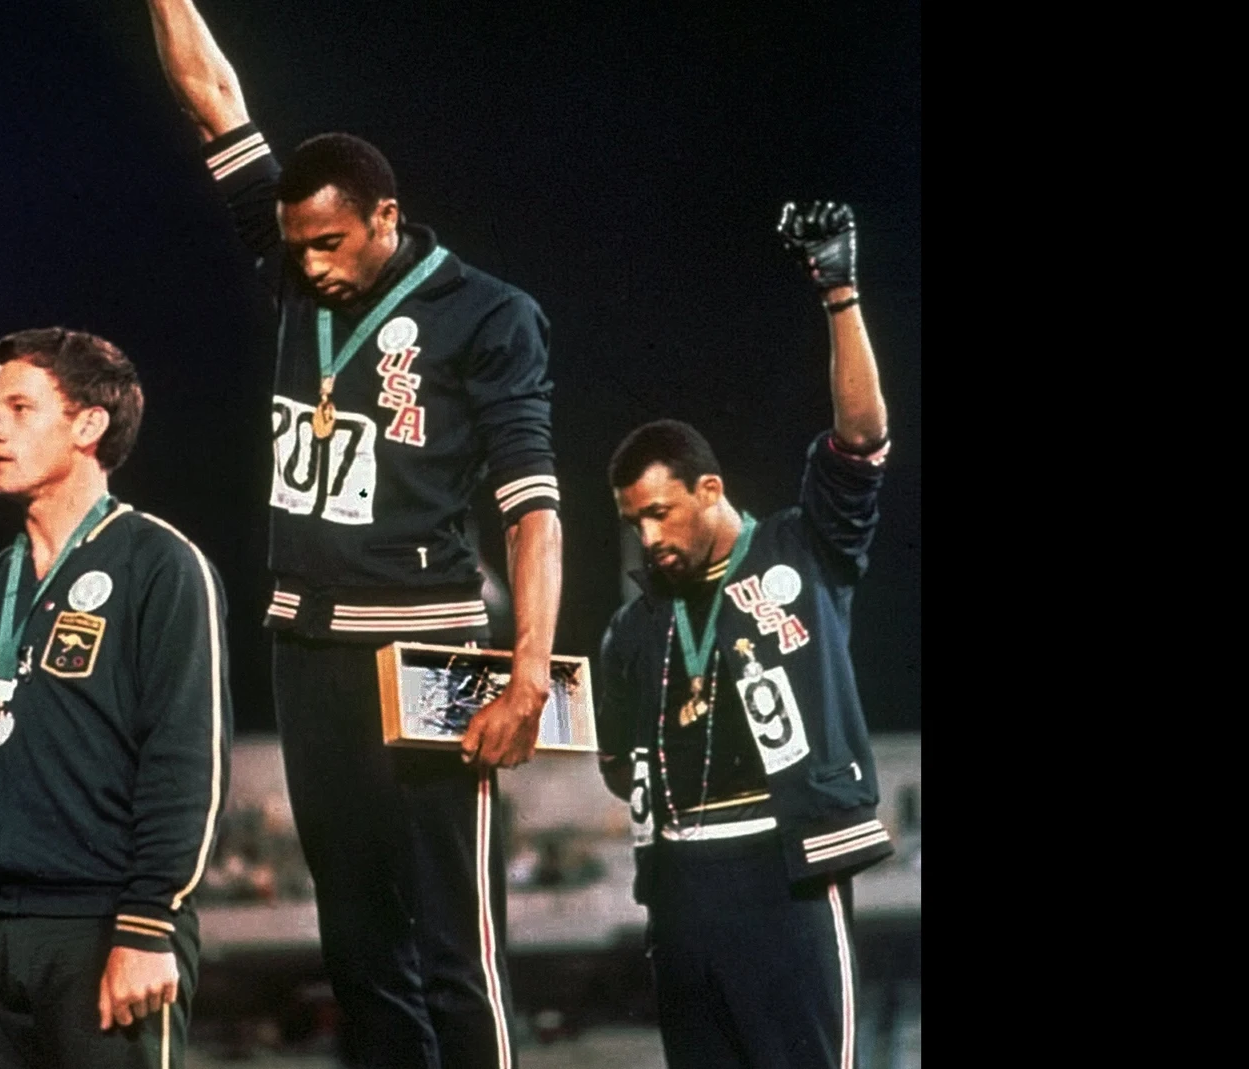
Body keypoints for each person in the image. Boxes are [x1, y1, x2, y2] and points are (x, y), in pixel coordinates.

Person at [146, 3, 564, 1067]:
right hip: (306, 647)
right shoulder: (291, 264)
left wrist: (523, 680)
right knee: (360, 947)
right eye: (298, 246)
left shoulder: (488, 315)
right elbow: (213, 101)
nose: (313, 266)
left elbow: (533, 510)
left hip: (433, 648)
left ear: (385, 215)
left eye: (331, 241)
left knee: (456, 945)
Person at [596, 201, 893, 1069]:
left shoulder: (802, 546)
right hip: (679, 889)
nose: (647, 536)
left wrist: (838, 292)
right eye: (632, 520)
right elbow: (618, 763)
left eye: (660, 512)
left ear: (710, 489)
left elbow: (862, 439)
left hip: (783, 870)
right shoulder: (632, 625)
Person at [0, 327, 233, 1069]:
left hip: (104, 930)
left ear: (88, 425)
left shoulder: (162, 564)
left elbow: (187, 761)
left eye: (18, 408)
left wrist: (148, 924)